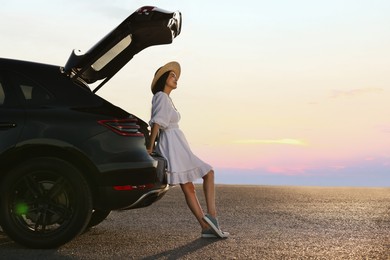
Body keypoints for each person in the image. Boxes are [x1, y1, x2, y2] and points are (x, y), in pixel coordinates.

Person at [147, 61, 229, 238]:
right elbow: (157, 122)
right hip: (172, 145)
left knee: (189, 187)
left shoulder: (166, 98)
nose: (175, 78)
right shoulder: (161, 96)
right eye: (171, 75)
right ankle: (212, 218)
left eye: (176, 76)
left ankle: (206, 227)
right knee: (208, 173)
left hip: (177, 144)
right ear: (163, 79)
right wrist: (150, 146)